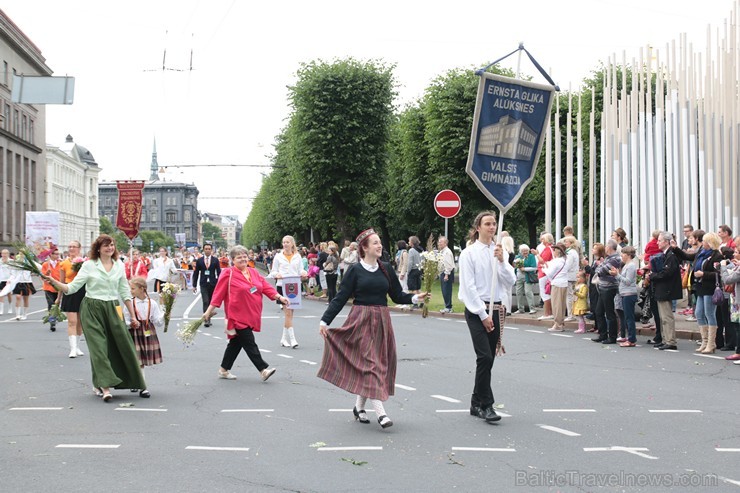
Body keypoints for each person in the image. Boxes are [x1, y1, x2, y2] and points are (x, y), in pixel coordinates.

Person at [318, 228, 427, 429]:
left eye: (379, 242)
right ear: (365, 248)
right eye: (375, 243)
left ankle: (359, 407)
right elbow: (341, 297)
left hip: (382, 321)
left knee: (376, 363)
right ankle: (381, 413)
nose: (380, 246)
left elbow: (396, 296)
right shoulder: (355, 270)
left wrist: (413, 298)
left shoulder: (385, 268)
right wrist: (325, 321)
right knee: (370, 364)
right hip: (360, 320)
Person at [44, 234, 146, 402]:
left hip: (113, 308)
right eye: (106, 245)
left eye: (112, 245)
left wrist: (133, 316)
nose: (110, 248)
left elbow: (124, 292)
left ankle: (119, 382)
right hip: (92, 308)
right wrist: (53, 282)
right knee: (99, 348)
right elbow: (72, 287)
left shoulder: (119, 265)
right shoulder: (89, 265)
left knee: (122, 345)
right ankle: (105, 388)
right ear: (98, 248)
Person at [458, 211, 516, 424]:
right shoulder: (469, 253)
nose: (492, 227)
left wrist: (502, 262)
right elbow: (469, 287)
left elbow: (509, 281)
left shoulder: (500, 252)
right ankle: (487, 404)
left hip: (497, 308)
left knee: (488, 359)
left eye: (494, 224)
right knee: (484, 356)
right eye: (488, 224)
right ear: (478, 228)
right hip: (477, 310)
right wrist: (482, 314)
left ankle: (475, 401)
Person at [203, 245, 289, 382]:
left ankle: (223, 369)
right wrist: (208, 312)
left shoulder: (253, 272)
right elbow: (218, 294)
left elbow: (265, 287)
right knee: (249, 342)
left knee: (236, 343)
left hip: (251, 313)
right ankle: (263, 370)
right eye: (239, 257)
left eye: (244, 256)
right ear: (232, 260)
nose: (243, 259)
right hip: (236, 315)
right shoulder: (228, 273)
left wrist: (279, 297)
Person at [672, 232, 723, 353]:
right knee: (699, 313)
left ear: (710, 243)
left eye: (705, 241)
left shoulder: (717, 256)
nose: (703, 243)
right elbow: (688, 257)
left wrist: (703, 274)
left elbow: (719, 274)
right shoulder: (701, 253)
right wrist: (676, 249)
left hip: (710, 288)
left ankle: (711, 343)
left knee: (709, 314)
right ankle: (704, 341)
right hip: (700, 287)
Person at [123, 276, 163, 398]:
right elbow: (126, 320)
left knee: (142, 361)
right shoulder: (130, 303)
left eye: (133, 288)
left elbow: (157, 321)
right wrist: (131, 323)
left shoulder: (152, 303)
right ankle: (143, 387)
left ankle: (137, 382)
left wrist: (165, 315)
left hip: (147, 331)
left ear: (142, 289)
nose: (131, 291)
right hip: (135, 333)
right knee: (138, 360)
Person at [646, 232, 684, 351]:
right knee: (663, 317)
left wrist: (653, 275)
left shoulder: (671, 256)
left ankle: (670, 340)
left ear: (667, 242)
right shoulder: (665, 255)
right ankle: (665, 339)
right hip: (662, 289)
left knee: (667, 316)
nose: (657, 242)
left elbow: (667, 273)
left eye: (660, 240)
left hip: (667, 289)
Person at [268, 236, 307, 348]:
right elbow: (273, 271)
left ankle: (283, 339)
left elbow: (300, 269)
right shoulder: (278, 256)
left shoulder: (297, 256)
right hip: (282, 285)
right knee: (288, 312)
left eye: (287, 242)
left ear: (292, 244)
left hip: (294, 285)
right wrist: (277, 275)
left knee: (290, 314)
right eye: (283, 242)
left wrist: (304, 272)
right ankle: (293, 339)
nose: (285, 244)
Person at [592, 239, 623, 344]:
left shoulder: (615, 259)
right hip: (603, 287)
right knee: (599, 311)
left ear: (609, 248)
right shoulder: (608, 258)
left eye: (606, 246)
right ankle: (602, 334)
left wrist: (601, 267)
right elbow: (599, 269)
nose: (605, 248)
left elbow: (601, 271)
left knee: (609, 313)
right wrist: (601, 268)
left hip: (609, 288)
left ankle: (612, 336)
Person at [59, 241, 86, 358]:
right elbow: (61, 282)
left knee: (80, 322)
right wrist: (58, 298)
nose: (71, 248)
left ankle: (78, 346)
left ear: (79, 248)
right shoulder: (63, 263)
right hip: (69, 291)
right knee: (72, 321)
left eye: (74, 247)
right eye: (70, 246)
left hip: (82, 292)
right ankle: (73, 348)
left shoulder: (86, 262)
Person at [612, 246, 638, 347]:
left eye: (623, 254)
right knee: (627, 317)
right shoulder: (627, 265)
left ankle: (631, 339)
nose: (621, 256)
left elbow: (628, 281)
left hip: (629, 294)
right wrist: (617, 274)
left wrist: (617, 275)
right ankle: (630, 337)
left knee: (629, 317)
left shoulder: (631, 266)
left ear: (628, 255)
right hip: (625, 293)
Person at [192, 243, 221, 328]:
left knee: (211, 302)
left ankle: (208, 316)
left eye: (209, 249)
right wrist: (194, 285)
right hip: (203, 283)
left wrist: (220, 284)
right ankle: (206, 320)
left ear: (211, 250)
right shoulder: (199, 260)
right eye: (206, 249)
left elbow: (219, 273)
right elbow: (196, 273)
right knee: (205, 301)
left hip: (213, 283)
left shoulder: (215, 260)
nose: (207, 250)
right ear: (203, 250)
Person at [720, 245, 740, 361]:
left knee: (738, 327)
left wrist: (723, 267)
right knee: (737, 325)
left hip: (738, 301)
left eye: (737, 252)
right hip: (736, 300)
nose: (734, 254)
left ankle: (738, 352)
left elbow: (728, 279)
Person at [544, 243, 569, 332]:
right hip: (564, 283)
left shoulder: (557, 261)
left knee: (556, 305)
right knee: (562, 305)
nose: (553, 252)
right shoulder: (565, 260)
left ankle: (558, 324)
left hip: (557, 283)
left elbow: (550, 273)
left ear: (557, 252)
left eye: (554, 250)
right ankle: (561, 323)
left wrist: (544, 269)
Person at [40, 248, 63, 332]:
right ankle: (52, 322)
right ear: (51, 255)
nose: (57, 255)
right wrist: (47, 273)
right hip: (48, 287)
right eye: (55, 254)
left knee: (56, 304)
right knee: (51, 304)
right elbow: (42, 276)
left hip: (58, 287)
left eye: (58, 254)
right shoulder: (46, 265)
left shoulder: (61, 264)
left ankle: (54, 317)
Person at [10, 252, 36, 320]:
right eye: (20, 254)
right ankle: (17, 315)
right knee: (18, 297)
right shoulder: (16, 263)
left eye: (23, 254)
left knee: (25, 298)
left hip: (27, 281)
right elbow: (13, 273)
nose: (21, 255)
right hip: (18, 281)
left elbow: (36, 268)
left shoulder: (29, 262)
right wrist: (10, 280)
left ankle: (25, 314)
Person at [535, 233, 555, 320]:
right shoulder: (551, 248)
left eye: (543, 239)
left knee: (544, 293)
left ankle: (547, 313)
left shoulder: (548, 249)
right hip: (546, 273)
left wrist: (537, 254)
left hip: (544, 272)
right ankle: (549, 312)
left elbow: (543, 261)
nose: (541, 240)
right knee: (547, 293)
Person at [514, 244, 537, 314]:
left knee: (528, 292)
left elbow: (534, 267)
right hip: (519, 277)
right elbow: (515, 266)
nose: (525, 252)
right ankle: (520, 309)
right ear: (520, 251)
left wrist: (525, 269)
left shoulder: (531, 257)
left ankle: (532, 308)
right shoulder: (518, 257)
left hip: (528, 277)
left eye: (526, 251)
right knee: (518, 292)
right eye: (523, 251)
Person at [438, 236, 456, 314]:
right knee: (444, 290)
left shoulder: (447, 252)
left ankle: (448, 307)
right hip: (443, 272)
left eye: (440, 242)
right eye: (439, 242)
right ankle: (447, 306)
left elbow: (448, 264)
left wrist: (446, 274)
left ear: (445, 243)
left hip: (446, 273)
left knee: (447, 290)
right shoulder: (443, 251)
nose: (439, 243)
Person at [0, 249, 12, 315]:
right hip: (1, 279)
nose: (4, 255)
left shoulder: (11, 261)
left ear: (8, 254)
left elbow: (13, 271)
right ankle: (1, 309)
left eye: (5, 253)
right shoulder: (0, 261)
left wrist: (11, 279)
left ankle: (10, 307)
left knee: (9, 294)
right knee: (1, 294)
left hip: (9, 280)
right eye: (3, 253)